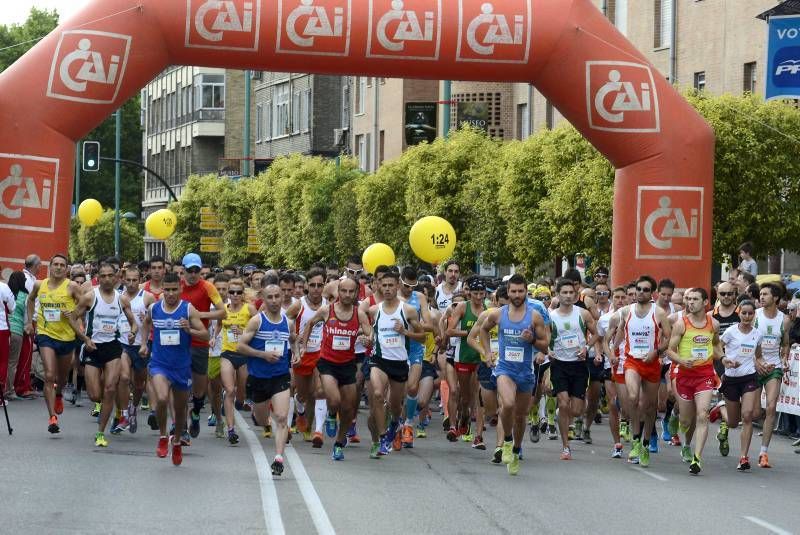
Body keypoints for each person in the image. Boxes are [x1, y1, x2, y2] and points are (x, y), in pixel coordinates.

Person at [478, 274, 549, 475]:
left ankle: (516, 449)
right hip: (505, 369)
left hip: (525, 372)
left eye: (520, 291)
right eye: (513, 291)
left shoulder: (534, 316)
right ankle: (507, 441)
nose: (517, 295)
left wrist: (533, 340)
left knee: (520, 416)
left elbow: (545, 344)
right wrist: (487, 352)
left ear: (526, 292)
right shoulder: (498, 314)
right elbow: (483, 331)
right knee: (507, 404)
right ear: (507, 292)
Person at [139, 272, 209, 466]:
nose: (170, 294)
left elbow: (204, 335)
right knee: (161, 398)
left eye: (174, 290)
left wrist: (190, 330)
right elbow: (145, 324)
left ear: (180, 289)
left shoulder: (188, 310)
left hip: (182, 367)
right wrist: (144, 344)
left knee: (179, 410)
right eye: (167, 290)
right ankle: (163, 436)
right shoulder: (154, 308)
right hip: (160, 364)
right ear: (162, 289)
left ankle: (176, 440)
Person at [299, 277, 373, 460]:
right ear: (338, 292)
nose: (347, 295)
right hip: (327, 362)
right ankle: (331, 414)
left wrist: (368, 338)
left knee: (348, 408)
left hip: (348, 364)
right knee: (334, 400)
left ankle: (339, 443)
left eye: (351, 291)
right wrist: (303, 345)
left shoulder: (359, 314)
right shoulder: (327, 310)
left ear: (356, 293)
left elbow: (369, 332)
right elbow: (310, 323)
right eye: (344, 291)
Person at [71, 262, 138, 447]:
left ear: (116, 277)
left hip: (113, 348)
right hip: (93, 347)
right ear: (98, 277)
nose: (107, 279)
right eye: (103, 276)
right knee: (94, 395)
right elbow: (72, 318)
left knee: (110, 388)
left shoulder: (121, 299)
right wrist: (85, 339)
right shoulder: (90, 297)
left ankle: (100, 432)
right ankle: (106, 406)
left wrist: (132, 333)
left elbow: (133, 323)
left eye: (110, 275)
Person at [237, 284, 300, 476]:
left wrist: (296, 353)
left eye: (277, 297)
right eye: (269, 297)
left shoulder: (288, 322)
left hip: (279, 376)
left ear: (282, 298)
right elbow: (240, 347)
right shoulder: (257, 321)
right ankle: (268, 423)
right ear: (263, 299)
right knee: (261, 418)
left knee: (281, 417)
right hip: (258, 378)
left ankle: (278, 459)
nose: (274, 301)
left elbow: (293, 339)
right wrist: (262, 354)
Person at [612, 275, 671, 467]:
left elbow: (668, 339)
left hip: (652, 363)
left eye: (645, 290)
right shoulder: (627, 311)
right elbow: (619, 333)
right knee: (632, 398)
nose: (641, 292)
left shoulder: (659, 312)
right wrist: (611, 349)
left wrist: (656, 352)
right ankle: (636, 440)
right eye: (639, 289)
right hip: (632, 361)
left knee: (650, 406)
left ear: (651, 292)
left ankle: (646, 443)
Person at [368, 271, 426, 458]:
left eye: (390, 285)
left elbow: (423, 337)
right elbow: (373, 334)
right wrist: (366, 338)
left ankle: (395, 423)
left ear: (397, 287)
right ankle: (383, 437)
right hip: (379, 360)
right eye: (383, 285)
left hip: (400, 362)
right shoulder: (374, 310)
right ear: (378, 286)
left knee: (395, 406)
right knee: (377, 394)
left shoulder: (407, 310)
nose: (387, 289)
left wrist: (404, 332)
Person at [665, 287, 722, 475]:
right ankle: (675, 417)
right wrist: (682, 360)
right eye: (688, 299)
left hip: (705, 375)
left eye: (695, 299)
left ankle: (697, 457)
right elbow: (670, 350)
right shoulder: (681, 324)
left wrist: (724, 358)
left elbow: (715, 345)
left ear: (706, 302)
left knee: (703, 414)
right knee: (686, 420)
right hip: (684, 375)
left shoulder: (713, 324)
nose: (690, 302)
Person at [25, 254, 84, 434]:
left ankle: (59, 394)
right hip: (45, 334)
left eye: (62, 265)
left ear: (66, 269)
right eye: (55, 264)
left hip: (66, 337)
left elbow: (84, 305)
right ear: (49, 267)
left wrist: (73, 313)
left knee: (62, 378)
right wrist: (29, 322)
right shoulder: (39, 285)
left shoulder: (72, 286)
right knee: (49, 375)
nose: (58, 267)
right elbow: (30, 300)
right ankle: (52, 418)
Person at [548, 278, 601, 460]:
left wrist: (586, 347)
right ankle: (565, 447)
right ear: (558, 295)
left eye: (571, 293)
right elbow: (545, 337)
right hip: (559, 364)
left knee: (577, 410)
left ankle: (561, 416)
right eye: (565, 292)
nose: (568, 296)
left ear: (576, 295)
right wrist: (547, 351)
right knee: (563, 403)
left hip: (578, 365)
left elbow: (596, 334)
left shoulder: (583, 314)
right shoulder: (551, 316)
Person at [180, 253, 226, 442]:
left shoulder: (207, 287)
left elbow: (223, 312)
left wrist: (200, 315)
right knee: (181, 387)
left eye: (196, 270)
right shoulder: (176, 287)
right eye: (189, 270)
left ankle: (196, 412)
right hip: (179, 343)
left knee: (199, 391)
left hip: (200, 342)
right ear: (182, 270)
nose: (192, 274)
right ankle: (181, 429)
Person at [285, 269, 328, 447]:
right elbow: (283, 322)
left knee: (319, 391)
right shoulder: (299, 305)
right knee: (301, 395)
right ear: (306, 286)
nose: (316, 289)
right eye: (312, 285)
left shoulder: (328, 305)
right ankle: (300, 412)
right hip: (302, 354)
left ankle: (318, 431)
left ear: (324, 285)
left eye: (319, 285)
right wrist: (294, 338)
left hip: (322, 353)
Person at [719, 300, 762, 471]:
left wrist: (763, 363)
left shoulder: (758, 334)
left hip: (749, 378)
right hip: (731, 379)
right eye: (744, 313)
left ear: (754, 315)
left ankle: (743, 457)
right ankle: (721, 409)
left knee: (748, 415)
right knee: (732, 422)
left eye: (750, 313)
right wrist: (726, 360)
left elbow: (758, 356)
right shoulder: (730, 332)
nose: (747, 316)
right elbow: (717, 348)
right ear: (739, 313)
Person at [753, 282, 790, 468]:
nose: (761, 297)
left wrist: (784, 358)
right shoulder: (755, 316)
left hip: (773, 367)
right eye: (760, 294)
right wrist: (757, 363)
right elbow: (747, 341)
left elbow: (785, 343)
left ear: (775, 298)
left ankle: (763, 453)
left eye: (765, 294)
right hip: (753, 365)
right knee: (752, 412)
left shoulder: (784, 320)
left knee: (771, 407)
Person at [445, 277, 486, 443]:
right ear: (470, 293)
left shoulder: (488, 309)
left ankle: (478, 436)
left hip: (480, 357)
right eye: (475, 293)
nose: (478, 297)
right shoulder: (462, 307)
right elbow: (449, 331)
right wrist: (469, 333)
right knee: (464, 395)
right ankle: (463, 417)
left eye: (481, 293)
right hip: (463, 356)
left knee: (478, 395)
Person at [397, 266, 433, 449]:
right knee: (395, 394)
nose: (409, 289)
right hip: (395, 348)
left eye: (413, 285)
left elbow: (428, 323)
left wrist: (413, 325)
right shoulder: (392, 297)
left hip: (415, 348)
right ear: (399, 280)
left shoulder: (419, 298)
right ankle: (395, 425)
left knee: (412, 388)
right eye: (406, 285)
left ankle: (409, 424)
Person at [219, 277, 257, 444]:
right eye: (232, 292)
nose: (235, 295)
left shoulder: (249, 309)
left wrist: (243, 333)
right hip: (227, 353)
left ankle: (241, 401)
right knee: (229, 390)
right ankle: (231, 430)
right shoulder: (223, 309)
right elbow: (219, 325)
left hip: (244, 355)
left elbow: (259, 328)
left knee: (240, 394)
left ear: (243, 294)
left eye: (238, 292)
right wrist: (213, 337)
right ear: (228, 293)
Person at [115, 266, 148, 434]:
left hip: (141, 346)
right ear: (123, 280)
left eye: (135, 280)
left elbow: (157, 318)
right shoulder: (118, 298)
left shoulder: (146, 297)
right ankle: (125, 414)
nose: (131, 283)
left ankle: (133, 407)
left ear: (140, 280)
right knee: (124, 377)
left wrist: (147, 318)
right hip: (123, 344)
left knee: (140, 383)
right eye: (128, 280)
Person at [5, 272, 29, 400]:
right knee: (12, 362)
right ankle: (9, 391)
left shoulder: (5, 291)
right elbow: (26, 318)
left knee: (2, 360)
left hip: (4, 329)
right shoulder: (25, 296)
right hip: (17, 331)